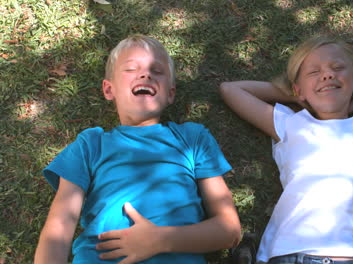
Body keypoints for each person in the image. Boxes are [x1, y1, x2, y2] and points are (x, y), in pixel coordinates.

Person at [219, 34, 353, 264]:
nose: (327, 74)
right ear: (298, 89)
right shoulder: (291, 124)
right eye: (313, 73)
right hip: (291, 253)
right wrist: (296, 96)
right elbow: (231, 90)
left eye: (338, 68)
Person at [34, 34, 241, 264]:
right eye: (131, 69)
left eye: (158, 71)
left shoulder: (193, 139)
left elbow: (229, 230)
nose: (145, 74)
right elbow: (59, 227)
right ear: (108, 89)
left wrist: (160, 239)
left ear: (170, 93)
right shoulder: (90, 145)